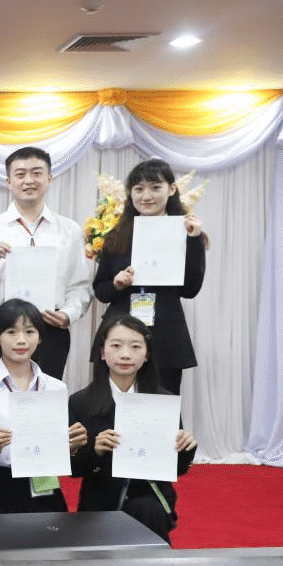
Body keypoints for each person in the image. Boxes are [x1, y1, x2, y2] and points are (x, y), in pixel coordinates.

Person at [0, 146, 92, 378]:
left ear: (49, 178)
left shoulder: (70, 230)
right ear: (8, 182)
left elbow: (80, 286)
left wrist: (68, 314)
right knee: (1, 393)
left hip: (51, 327)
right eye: (20, 174)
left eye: (37, 173)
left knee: (46, 394)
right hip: (4, 327)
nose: (29, 180)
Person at [68, 314, 197, 543]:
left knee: (145, 509)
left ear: (147, 354)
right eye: (116, 346)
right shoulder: (80, 402)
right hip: (100, 500)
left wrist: (186, 449)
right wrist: (95, 451)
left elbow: (174, 469)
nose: (125, 354)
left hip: (150, 499)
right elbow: (73, 469)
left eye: (135, 346)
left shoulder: (163, 401)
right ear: (102, 352)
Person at [92, 158, 207, 394]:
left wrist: (194, 240)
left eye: (155, 187)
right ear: (130, 193)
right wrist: (116, 284)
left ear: (171, 189)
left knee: (162, 406)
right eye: (138, 189)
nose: (146, 196)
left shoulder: (185, 232)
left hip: (165, 336)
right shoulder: (117, 234)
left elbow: (190, 290)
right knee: (113, 402)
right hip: (121, 333)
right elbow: (101, 291)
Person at [0, 299, 87, 515]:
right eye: (11, 332)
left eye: (29, 332)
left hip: (44, 481)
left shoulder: (55, 387)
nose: (21, 340)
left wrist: (74, 445)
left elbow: (59, 449)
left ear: (40, 337)